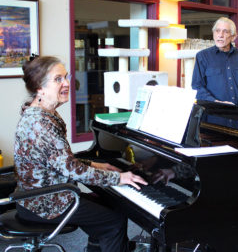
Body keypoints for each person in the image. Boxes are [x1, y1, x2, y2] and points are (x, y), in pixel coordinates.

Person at [14, 56, 147, 252]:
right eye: (58, 79)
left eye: (66, 77)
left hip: (37, 196)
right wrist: (118, 177)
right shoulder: (41, 124)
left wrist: (96, 165)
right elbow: (72, 170)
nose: (67, 83)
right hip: (45, 202)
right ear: (39, 88)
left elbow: (58, 161)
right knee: (113, 221)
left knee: (110, 204)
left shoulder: (39, 113)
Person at [192, 17, 238, 107]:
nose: (220, 35)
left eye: (225, 31)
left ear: (233, 37)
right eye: (217, 31)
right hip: (213, 113)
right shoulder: (202, 56)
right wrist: (216, 102)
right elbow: (197, 87)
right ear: (213, 34)